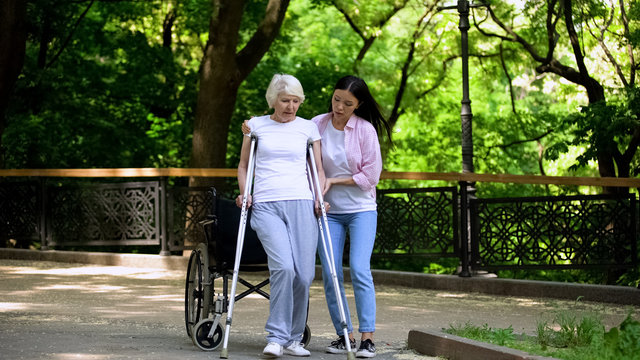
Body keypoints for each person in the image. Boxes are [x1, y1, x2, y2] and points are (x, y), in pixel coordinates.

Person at [243, 75, 392, 358]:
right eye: (336, 99)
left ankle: (367, 337)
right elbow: (290, 140)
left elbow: (372, 176)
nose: (339, 107)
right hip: (327, 211)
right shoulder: (317, 124)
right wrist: (251, 127)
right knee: (331, 274)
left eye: (347, 103)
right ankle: (344, 335)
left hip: (360, 209)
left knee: (359, 269)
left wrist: (334, 182)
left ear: (358, 105)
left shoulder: (364, 130)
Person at [236, 73, 325, 358]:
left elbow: (319, 170)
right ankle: (275, 337)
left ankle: (294, 339)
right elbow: (243, 165)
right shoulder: (255, 125)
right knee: (284, 267)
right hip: (266, 204)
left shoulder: (308, 128)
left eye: (296, 101)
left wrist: (320, 197)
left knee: (304, 275)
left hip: (301, 202)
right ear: (273, 100)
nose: (290, 106)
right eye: (285, 100)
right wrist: (244, 192)